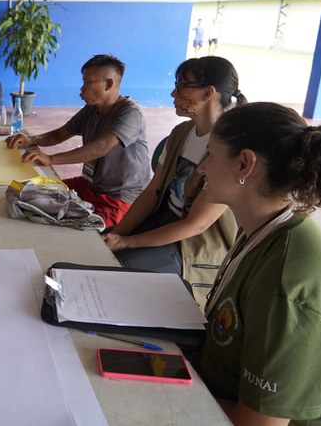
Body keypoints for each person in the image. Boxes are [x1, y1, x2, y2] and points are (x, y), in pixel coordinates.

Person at [196, 102, 321, 425]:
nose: (201, 168)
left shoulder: (289, 279)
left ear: (244, 164)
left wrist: (166, 390)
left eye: (209, 154)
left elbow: (256, 424)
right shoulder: (264, 228)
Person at [103, 56, 246, 306]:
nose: (173, 92)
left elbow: (196, 226)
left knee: (119, 273)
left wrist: (127, 242)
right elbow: (152, 193)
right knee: (97, 252)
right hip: (161, 223)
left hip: (191, 245)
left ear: (208, 93)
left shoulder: (230, 148)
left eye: (182, 85)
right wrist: (117, 233)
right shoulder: (181, 133)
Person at [6, 54, 150, 228]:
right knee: (26, 195)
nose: (82, 89)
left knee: (83, 231)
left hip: (118, 198)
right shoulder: (91, 109)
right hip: (88, 186)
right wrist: (29, 140)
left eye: (88, 82)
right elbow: (60, 134)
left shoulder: (131, 113)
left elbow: (101, 147)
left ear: (109, 84)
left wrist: (51, 159)